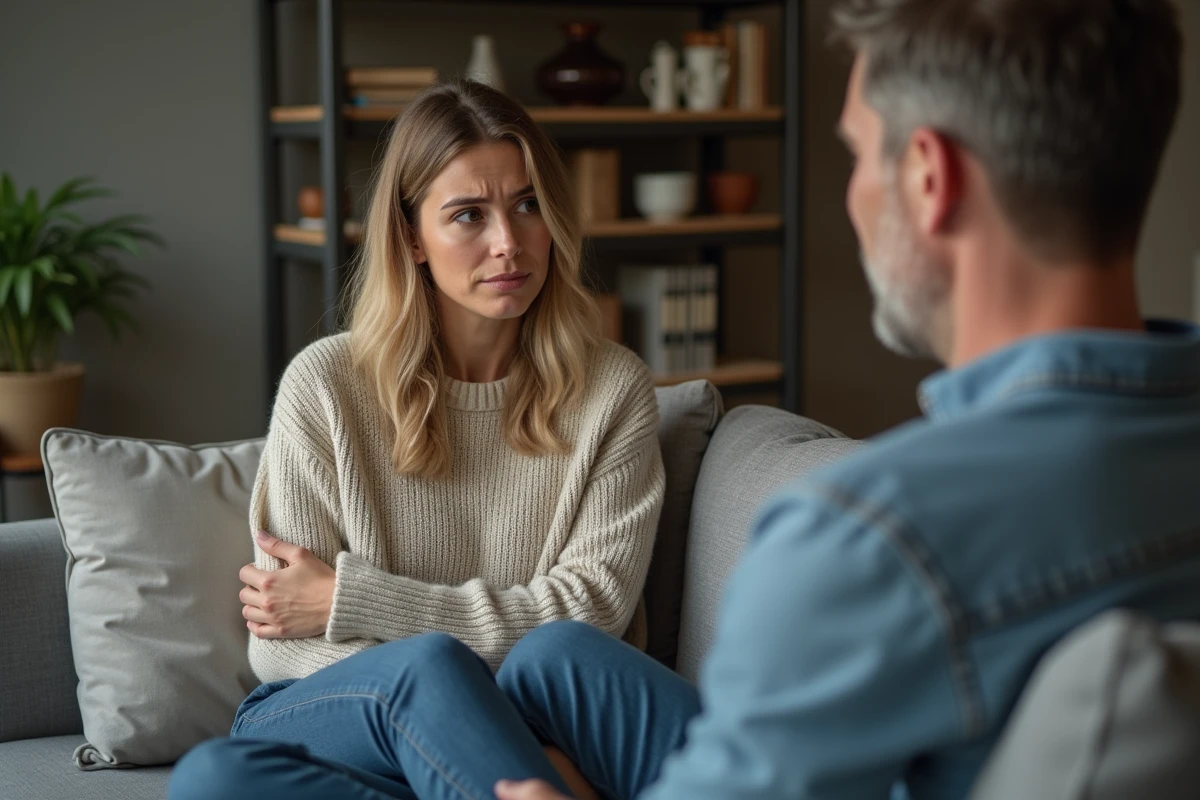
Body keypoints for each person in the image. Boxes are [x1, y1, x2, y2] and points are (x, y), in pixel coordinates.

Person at [167, 79, 664, 798]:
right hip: (339, 717)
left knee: (219, 784)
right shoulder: (327, 385)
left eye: (528, 205)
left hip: (523, 717)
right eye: (468, 215)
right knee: (413, 674)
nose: (509, 243)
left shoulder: (612, 389)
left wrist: (354, 598)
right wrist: (441, 675)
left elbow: (589, 612)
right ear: (411, 237)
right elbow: (288, 640)